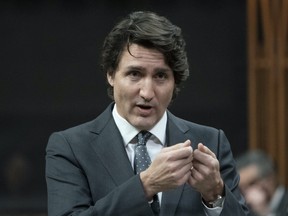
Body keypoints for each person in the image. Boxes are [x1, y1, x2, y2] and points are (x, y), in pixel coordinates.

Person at [45, 11, 250, 216]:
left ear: (175, 81)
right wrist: (146, 185)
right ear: (110, 74)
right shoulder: (70, 147)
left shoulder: (210, 142)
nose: (147, 93)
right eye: (135, 74)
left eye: (160, 76)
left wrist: (215, 195)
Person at [236, 150, 288, 216]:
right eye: (242, 189)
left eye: (252, 184)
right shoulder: (248, 210)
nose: (248, 195)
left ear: (269, 178)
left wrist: (264, 212)